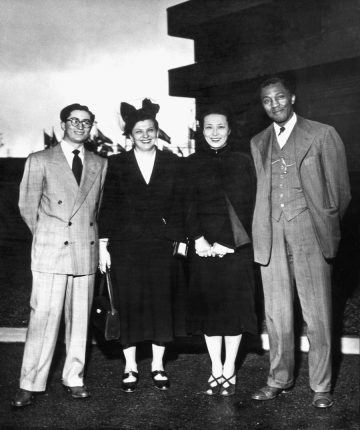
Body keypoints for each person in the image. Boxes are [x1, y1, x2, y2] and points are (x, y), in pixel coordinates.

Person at [250, 76, 351, 408]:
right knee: (277, 314)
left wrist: (324, 229)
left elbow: (339, 193)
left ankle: (321, 385)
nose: (274, 104)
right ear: (262, 105)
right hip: (272, 236)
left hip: (310, 234)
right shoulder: (259, 142)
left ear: (292, 97)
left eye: (279, 97)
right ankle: (279, 378)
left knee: (317, 313)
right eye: (267, 100)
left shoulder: (322, 134)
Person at [12, 103, 108, 407]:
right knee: (43, 318)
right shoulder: (40, 160)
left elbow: (98, 208)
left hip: (85, 250)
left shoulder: (99, 163)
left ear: (91, 127)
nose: (80, 126)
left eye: (86, 122)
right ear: (63, 124)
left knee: (80, 321)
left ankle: (74, 377)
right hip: (51, 251)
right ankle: (30, 383)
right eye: (74, 121)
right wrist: (48, 236)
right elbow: (27, 207)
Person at [98, 99, 185, 393]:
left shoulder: (173, 163)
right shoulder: (116, 164)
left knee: (161, 304)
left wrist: (175, 237)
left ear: (157, 131)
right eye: (139, 131)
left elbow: (180, 207)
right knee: (129, 304)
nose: (145, 135)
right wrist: (103, 246)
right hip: (126, 248)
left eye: (150, 129)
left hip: (161, 247)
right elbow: (107, 208)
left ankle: (158, 365)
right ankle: (130, 366)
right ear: (130, 135)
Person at [185, 106, 258, 396]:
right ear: (200, 131)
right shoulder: (190, 163)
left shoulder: (243, 162)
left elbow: (250, 205)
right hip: (202, 249)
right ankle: (215, 366)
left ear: (229, 130)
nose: (214, 133)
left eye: (220, 127)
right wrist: (198, 239)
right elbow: (186, 205)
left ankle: (230, 369)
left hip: (235, 248)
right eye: (208, 128)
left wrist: (228, 242)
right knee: (209, 311)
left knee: (233, 310)